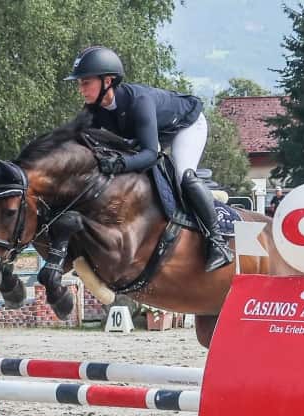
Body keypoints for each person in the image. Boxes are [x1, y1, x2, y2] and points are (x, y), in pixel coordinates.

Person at [65, 46, 231, 271]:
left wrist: (121, 164)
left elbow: (151, 154)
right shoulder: (94, 110)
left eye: (86, 82)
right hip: (155, 132)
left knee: (184, 176)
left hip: (186, 125)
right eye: (79, 83)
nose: (80, 89)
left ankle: (217, 242)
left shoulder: (138, 101)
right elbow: (75, 139)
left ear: (108, 81)